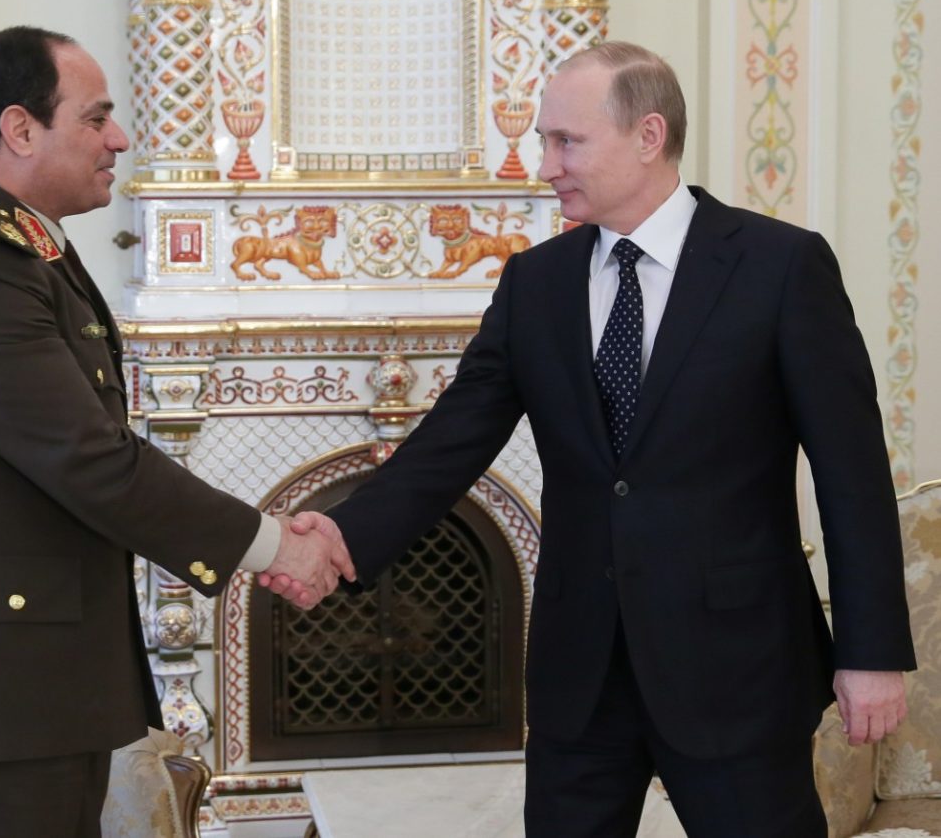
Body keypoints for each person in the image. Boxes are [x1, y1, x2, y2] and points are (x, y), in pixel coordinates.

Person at [273, 41, 916, 836]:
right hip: (580, 673)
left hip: (735, 669)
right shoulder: (534, 282)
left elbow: (853, 474)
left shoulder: (780, 267)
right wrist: (342, 535)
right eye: (545, 141)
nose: (546, 165)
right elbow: (451, 441)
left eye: (566, 141)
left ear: (648, 135)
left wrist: (870, 651)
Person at [0, 26, 351, 837]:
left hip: (28, 682)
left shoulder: (20, 248)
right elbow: (93, 461)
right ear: (21, 129)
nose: (118, 138)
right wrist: (274, 545)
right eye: (95, 118)